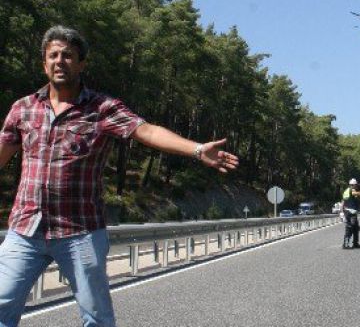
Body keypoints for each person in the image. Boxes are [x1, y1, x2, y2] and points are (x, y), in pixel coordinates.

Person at [0, 26, 239, 327]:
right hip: (25, 230)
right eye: (53, 56)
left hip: (80, 232)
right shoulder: (22, 109)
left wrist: (197, 149)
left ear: (82, 64)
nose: (60, 61)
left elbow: (147, 131)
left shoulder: (102, 108)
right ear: (44, 64)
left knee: (96, 317)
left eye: (68, 56)